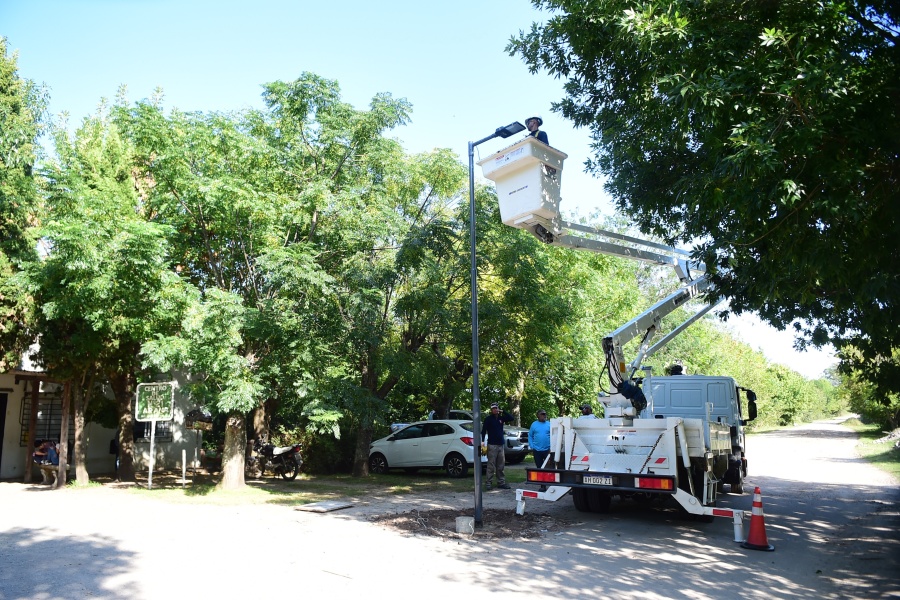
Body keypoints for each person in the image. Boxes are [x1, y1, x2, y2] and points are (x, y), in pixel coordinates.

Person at [482, 403, 513, 490]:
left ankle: (501, 482)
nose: (495, 410)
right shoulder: (488, 419)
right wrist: (482, 441)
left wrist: (503, 411)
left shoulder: (501, 418)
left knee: (501, 465)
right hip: (492, 445)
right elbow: (483, 430)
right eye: (493, 409)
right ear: (491, 410)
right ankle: (488, 483)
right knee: (491, 465)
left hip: (501, 444)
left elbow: (511, 418)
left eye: (496, 408)